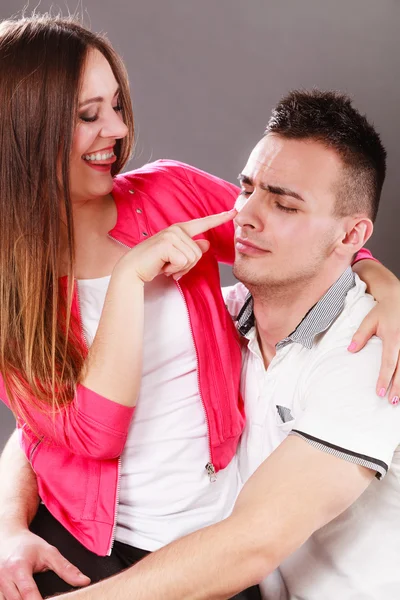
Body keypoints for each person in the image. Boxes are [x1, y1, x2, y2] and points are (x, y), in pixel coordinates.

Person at [0, 14, 399, 600]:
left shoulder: (170, 197)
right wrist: (8, 524)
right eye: (88, 114)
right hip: (81, 542)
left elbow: (302, 240)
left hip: (204, 545)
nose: (116, 127)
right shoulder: (13, 285)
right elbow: (62, 434)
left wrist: (382, 280)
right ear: (23, 128)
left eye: (116, 103)